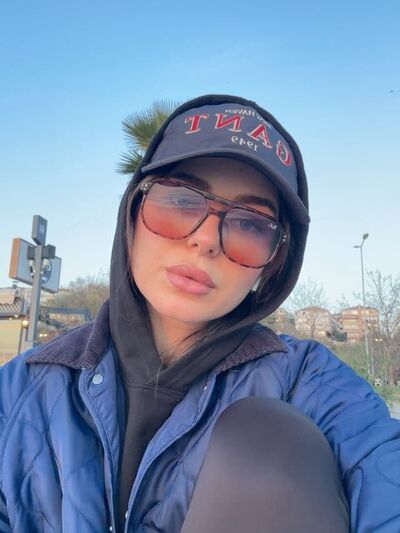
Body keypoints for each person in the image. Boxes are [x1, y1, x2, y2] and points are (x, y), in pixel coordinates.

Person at [0, 94, 399, 533]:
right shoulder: (19, 391)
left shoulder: (309, 382)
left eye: (250, 223)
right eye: (180, 200)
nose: (205, 240)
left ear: (274, 263)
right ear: (132, 214)